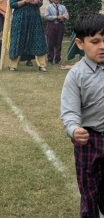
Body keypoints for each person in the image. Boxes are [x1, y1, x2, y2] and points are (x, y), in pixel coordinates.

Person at [60, 13, 104, 218]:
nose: (102, 46)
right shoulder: (76, 75)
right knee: (89, 192)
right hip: (89, 140)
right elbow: (69, 111)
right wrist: (74, 130)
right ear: (80, 43)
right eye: (95, 41)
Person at [0, 0, 48, 72]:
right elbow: (12, 4)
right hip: (19, 18)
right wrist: (26, 1)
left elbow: (40, 2)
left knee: (37, 39)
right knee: (17, 40)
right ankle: (13, 65)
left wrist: (36, 1)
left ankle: (42, 65)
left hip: (34, 18)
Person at [44, 0, 69, 64]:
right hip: (51, 26)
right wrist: (56, 17)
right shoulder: (48, 7)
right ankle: (50, 59)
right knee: (50, 43)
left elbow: (67, 15)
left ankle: (57, 59)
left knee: (59, 43)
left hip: (60, 26)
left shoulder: (63, 7)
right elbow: (46, 16)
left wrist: (63, 17)